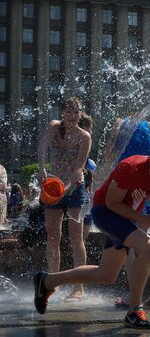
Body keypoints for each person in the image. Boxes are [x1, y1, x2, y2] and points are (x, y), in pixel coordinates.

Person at [33, 142, 150, 330]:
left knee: (105, 276)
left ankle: (47, 281)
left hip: (128, 218)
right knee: (149, 247)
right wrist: (144, 217)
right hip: (106, 212)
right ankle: (134, 311)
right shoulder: (130, 168)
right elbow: (112, 204)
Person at [37, 97, 92, 301]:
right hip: (53, 186)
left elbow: (78, 169)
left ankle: (79, 288)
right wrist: (42, 168)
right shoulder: (54, 127)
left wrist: (65, 189)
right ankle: (54, 283)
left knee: (76, 238)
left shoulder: (84, 136)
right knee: (53, 236)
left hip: (74, 188)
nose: (72, 114)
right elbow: (42, 148)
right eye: (68, 111)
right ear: (62, 113)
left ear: (80, 114)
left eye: (76, 111)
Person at [112, 119, 150, 308]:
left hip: (128, 192)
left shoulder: (119, 124)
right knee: (145, 243)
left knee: (129, 244)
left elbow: (109, 155)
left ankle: (133, 295)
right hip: (147, 191)